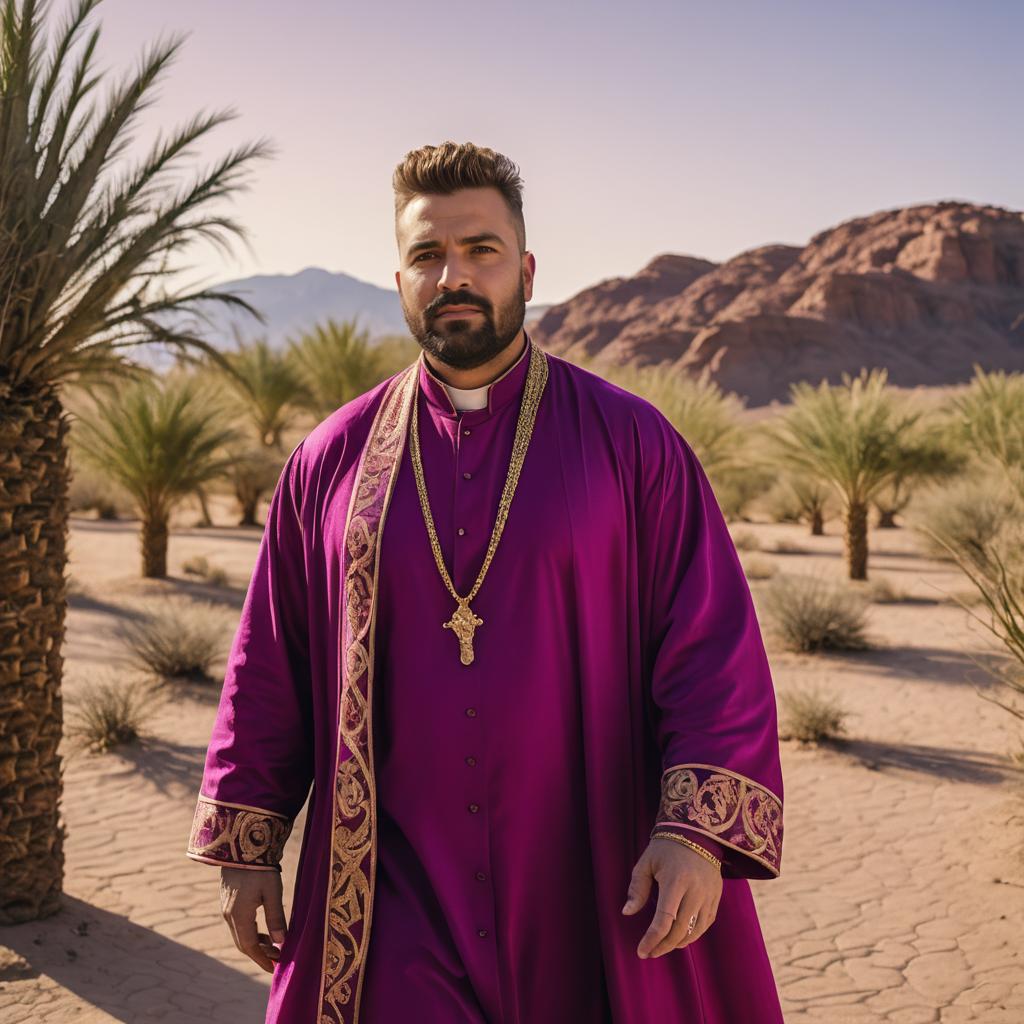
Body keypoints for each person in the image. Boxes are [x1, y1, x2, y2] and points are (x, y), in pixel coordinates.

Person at [186, 141, 785, 1024]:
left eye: (481, 251)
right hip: (392, 891)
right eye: (427, 256)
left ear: (527, 270)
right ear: (399, 282)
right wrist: (248, 845)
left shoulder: (633, 445)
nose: (453, 276)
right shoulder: (331, 462)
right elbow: (270, 661)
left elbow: (710, 644)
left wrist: (693, 832)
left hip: (594, 872)